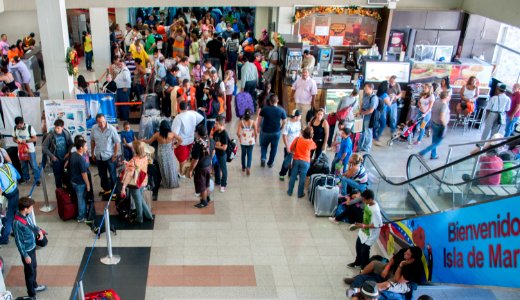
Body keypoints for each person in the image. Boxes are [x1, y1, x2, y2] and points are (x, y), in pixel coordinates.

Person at [13, 197, 47, 300]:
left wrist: (39, 231)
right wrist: (25, 255)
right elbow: (18, 241)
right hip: (27, 252)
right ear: (25, 208)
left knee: (34, 267)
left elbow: (32, 225)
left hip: (32, 247)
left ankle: (35, 285)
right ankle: (31, 294)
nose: (32, 209)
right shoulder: (17, 223)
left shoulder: (26, 216)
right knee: (29, 273)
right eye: (31, 207)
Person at [347, 189, 383, 270]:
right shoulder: (369, 204)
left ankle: (364, 267)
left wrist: (363, 225)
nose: (363, 201)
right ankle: (357, 262)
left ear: (370, 199)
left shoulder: (375, 211)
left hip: (371, 234)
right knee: (358, 246)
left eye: (364, 199)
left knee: (364, 251)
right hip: (363, 230)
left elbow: (377, 225)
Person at [120, 141, 154, 224]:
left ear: (135, 150)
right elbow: (137, 167)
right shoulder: (145, 156)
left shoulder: (134, 160)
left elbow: (129, 175)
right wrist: (129, 164)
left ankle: (140, 218)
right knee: (140, 199)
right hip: (143, 181)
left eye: (132, 147)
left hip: (135, 183)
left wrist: (123, 187)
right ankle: (149, 215)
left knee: (138, 201)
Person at [144, 120, 182, 189]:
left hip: (161, 153)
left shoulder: (157, 134)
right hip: (169, 152)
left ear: (160, 127)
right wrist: (175, 146)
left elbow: (149, 142)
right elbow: (181, 140)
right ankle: (173, 183)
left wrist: (143, 140)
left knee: (163, 168)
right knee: (171, 167)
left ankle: (166, 183)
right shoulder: (172, 134)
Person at [172, 101, 204, 175]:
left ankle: (182, 173)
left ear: (178, 108)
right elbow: (201, 119)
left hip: (182, 142)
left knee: (182, 160)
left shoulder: (178, 118)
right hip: (191, 139)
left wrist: (173, 143)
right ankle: (188, 171)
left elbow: (175, 133)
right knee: (188, 157)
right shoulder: (193, 113)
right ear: (187, 107)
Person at [91, 114, 120, 196]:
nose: (102, 124)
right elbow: (92, 141)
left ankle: (115, 192)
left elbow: (117, 142)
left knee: (112, 175)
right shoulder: (94, 129)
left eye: (103, 121)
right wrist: (92, 153)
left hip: (109, 157)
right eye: (100, 122)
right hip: (99, 156)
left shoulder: (111, 129)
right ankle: (106, 189)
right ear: (97, 122)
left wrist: (115, 155)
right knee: (102, 175)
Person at [188, 125, 215, 208]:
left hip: (200, 168)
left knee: (202, 185)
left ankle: (204, 202)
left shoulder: (197, 144)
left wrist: (190, 170)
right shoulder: (210, 140)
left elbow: (195, 160)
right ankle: (207, 197)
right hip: (208, 166)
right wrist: (209, 160)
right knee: (207, 183)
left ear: (197, 133)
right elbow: (213, 152)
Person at [419, 91, 451, 160]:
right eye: (449, 96)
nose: (450, 97)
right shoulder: (444, 105)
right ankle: (422, 152)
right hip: (440, 126)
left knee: (434, 141)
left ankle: (433, 155)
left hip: (434, 123)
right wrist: (445, 125)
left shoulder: (436, 102)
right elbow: (442, 118)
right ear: (446, 97)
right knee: (437, 143)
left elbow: (432, 112)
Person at [257, 95, 287, 168]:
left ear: (270, 101)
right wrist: (282, 126)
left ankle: (263, 158)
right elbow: (285, 120)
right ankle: (270, 163)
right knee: (274, 148)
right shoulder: (281, 110)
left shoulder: (265, 109)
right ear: (277, 101)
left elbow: (260, 119)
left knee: (264, 146)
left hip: (265, 131)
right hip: (276, 132)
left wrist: (258, 127)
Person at [42, 119, 73, 188]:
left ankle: (67, 191)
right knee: (58, 177)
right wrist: (52, 156)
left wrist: (68, 153)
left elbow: (71, 144)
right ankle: (59, 192)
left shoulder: (66, 134)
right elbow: (44, 147)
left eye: (58, 128)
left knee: (66, 174)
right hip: (56, 162)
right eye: (55, 127)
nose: (56, 129)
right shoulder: (51, 135)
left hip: (65, 161)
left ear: (62, 127)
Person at [287, 126, 316, 198]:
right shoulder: (310, 143)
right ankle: (300, 194)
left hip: (296, 160)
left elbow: (291, 148)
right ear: (311, 134)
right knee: (302, 178)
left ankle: (289, 191)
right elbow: (315, 146)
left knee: (293, 176)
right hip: (305, 162)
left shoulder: (298, 139)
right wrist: (311, 138)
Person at [12, 117, 39, 185]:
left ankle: (37, 179)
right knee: (24, 165)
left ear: (23, 123)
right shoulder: (15, 128)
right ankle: (26, 178)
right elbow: (14, 138)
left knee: (34, 165)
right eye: (17, 126)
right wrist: (16, 140)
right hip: (21, 151)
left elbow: (35, 139)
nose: (19, 127)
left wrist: (26, 141)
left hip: (30, 150)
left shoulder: (29, 127)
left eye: (20, 126)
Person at [69, 139, 90, 222]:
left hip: (73, 181)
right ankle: (81, 217)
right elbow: (84, 173)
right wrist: (88, 184)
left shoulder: (74, 154)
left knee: (79, 199)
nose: (87, 148)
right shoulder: (81, 159)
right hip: (80, 183)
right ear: (81, 148)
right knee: (81, 200)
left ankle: (82, 213)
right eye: (86, 146)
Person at [0, 161, 21, 245]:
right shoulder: (8, 165)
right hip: (16, 191)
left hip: (9, 195)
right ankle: (17, 232)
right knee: (16, 213)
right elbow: (18, 176)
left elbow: (0, 191)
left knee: (9, 216)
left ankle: (4, 238)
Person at [279, 109, 302, 181]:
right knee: (287, 161)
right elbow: (284, 136)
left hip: (297, 146)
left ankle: (292, 174)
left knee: (295, 161)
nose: (300, 117)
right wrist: (287, 147)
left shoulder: (298, 122)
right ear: (295, 117)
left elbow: (299, 133)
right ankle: (282, 174)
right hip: (289, 146)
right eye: (299, 116)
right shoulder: (287, 124)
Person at [358, 83, 378, 152]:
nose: (364, 89)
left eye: (366, 88)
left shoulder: (374, 98)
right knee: (363, 131)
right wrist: (360, 111)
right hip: (363, 115)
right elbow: (362, 104)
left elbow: (371, 110)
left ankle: (367, 147)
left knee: (368, 132)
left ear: (371, 89)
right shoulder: (365, 95)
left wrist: (362, 113)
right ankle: (360, 146)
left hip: (369, 117)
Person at [237, 108, 257, 175]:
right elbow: (256, 133)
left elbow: (238, 133)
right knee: (249, 154)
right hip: (251, 141)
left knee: (243, 154)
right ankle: (248, 167)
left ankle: (243, 167)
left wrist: (240, 137)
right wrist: (255, 139)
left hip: (243, 141)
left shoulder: (241, 122)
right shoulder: (253, 122)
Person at [213, 116, 229, 192]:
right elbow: (213, 143)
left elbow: (224, 148)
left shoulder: (224, 134)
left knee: (223, 169)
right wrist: (217, 145)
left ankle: (223, 184)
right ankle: (217, 181)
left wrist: (215, 145)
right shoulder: (215, 133)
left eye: (216, 124)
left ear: (221, 124)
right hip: (216, 154)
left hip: (222, 155)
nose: (214, 125)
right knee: (217, 167)